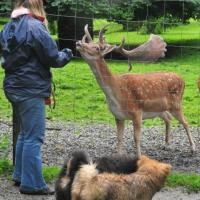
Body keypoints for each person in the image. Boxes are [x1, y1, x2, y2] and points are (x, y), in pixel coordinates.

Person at [0, 0, 73, 195]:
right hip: (30, 89)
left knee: (25, 133)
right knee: (34, 137)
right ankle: (32, 184)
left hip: (13, 87)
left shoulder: (8, 27)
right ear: (37, 6)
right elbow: (53, 58)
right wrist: (67, 53)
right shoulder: (36, 27)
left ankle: (20, 175)